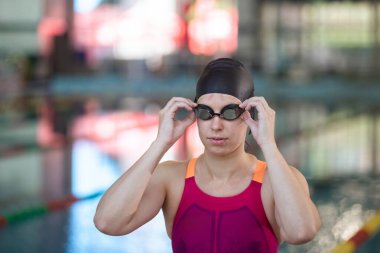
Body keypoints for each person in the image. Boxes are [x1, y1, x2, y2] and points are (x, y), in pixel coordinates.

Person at [94, 58, 321, 252]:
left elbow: (301, 232)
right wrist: (160, 144)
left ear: (249, 115)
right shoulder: (171, 179)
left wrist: (269, 145)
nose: (216, 125)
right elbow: (107, 223)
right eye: (206, 113)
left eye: (229, 112)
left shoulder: (277, 181)